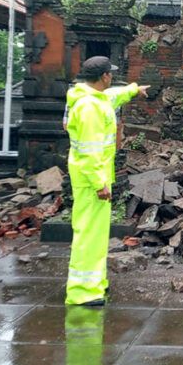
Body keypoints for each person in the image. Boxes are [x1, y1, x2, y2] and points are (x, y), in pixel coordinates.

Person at [64, 56, 148, 306]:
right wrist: (99, 183)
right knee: (88, 235)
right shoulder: (89, 108)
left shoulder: (95, 98)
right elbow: (89, 152)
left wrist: (133, 90)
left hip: (94, 178)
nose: (111, 77)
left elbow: (113, 96)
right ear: (104, 76)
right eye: (110, 73)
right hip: (91, 181)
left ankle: (95, 284)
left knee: (97, 235)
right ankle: (82, 291)